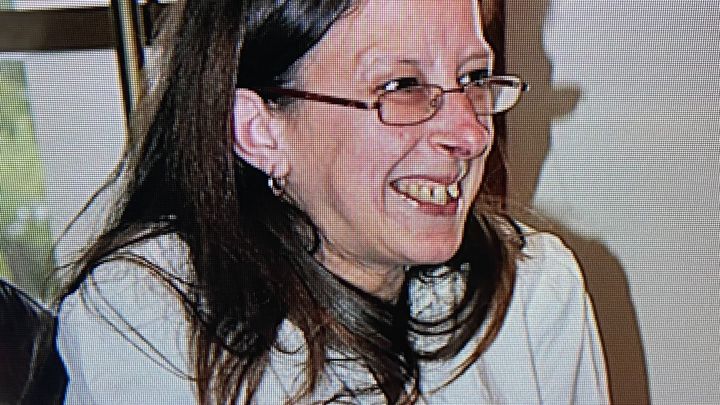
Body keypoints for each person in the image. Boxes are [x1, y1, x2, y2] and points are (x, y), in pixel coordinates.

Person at [56, 0, 610, 403]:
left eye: (474, 77)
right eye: (401, 86)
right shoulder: (145, 318)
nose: (471, 133)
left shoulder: (533, 291)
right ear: (260, 133)